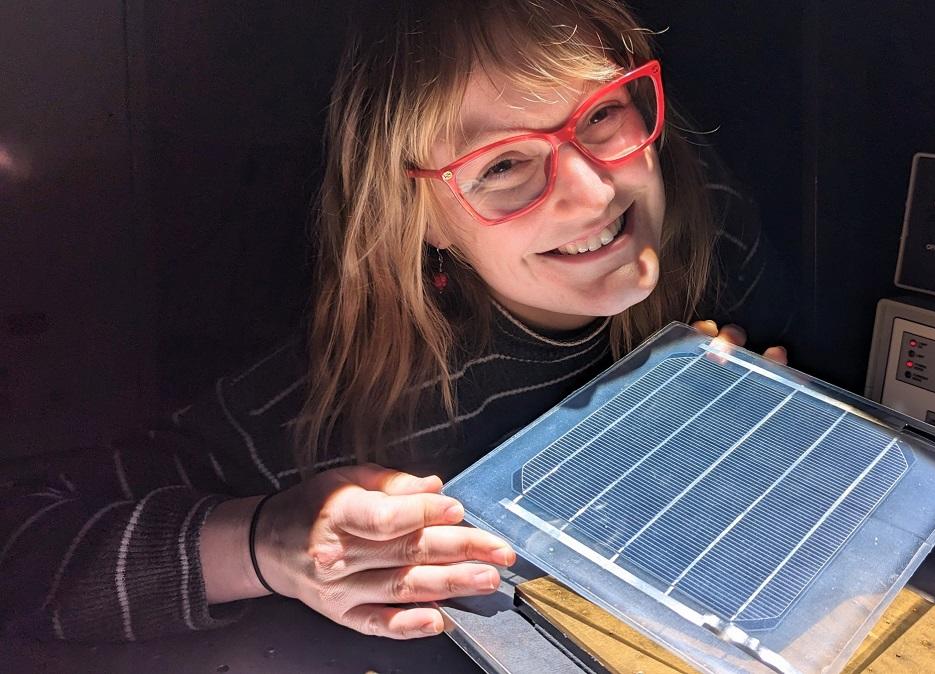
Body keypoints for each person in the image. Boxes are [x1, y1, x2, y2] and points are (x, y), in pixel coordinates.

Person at [0, 0, 796, 643]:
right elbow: (23, 546)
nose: (593, 194)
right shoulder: (323, 413)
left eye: (600, 116)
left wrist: (751, 428)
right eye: (504, 166)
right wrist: (263, 544)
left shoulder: (712, 238)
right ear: (422, 221)